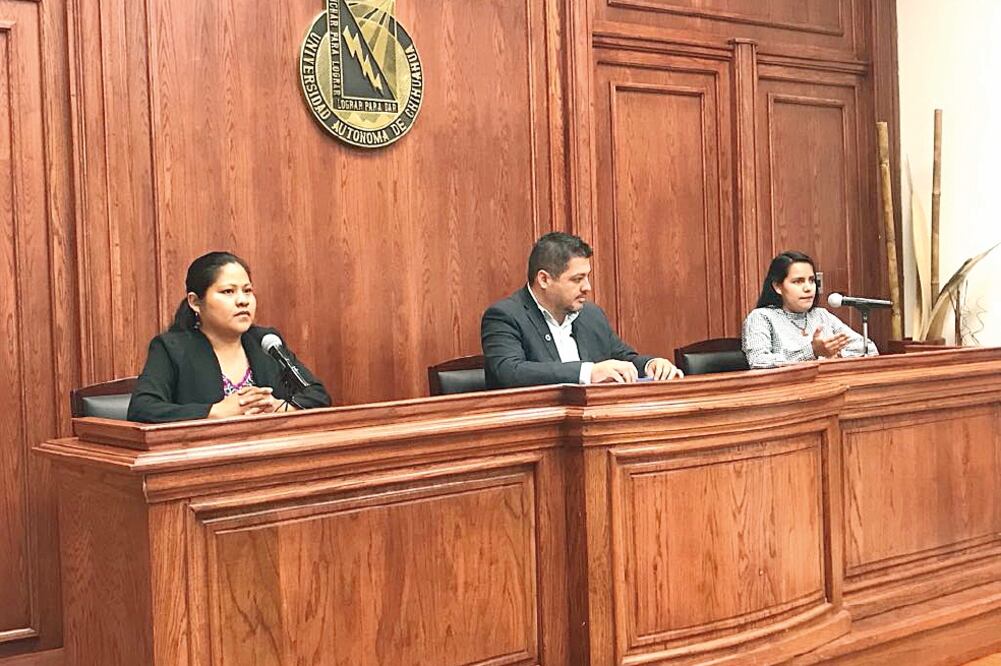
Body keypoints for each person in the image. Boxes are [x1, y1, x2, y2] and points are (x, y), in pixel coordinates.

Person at [128, 251, 331, 423]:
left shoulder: (265, 342)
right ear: (195, 302)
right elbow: (143, 409)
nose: (242, 301)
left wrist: (279, 407)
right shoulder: (172, 348)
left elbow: (318, 395)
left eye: (247, 290)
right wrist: (215, 412)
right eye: (228, 291)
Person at [481, 232, 683, 388]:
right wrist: (588, 373)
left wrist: (651, 365)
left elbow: (622, 358)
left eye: (587, 277)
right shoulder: (505, 316)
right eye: (577, 279)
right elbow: (510, 371)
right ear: (544, 279)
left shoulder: (590, 314)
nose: (587, 287)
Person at [742, 250, 878, 368]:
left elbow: (869, 348)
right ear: (778, 286)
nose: (808, 288)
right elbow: (758, 361)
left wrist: (837, 354)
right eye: (798, 281)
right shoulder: (761, 317)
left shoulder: (821, 315)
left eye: (812, 280)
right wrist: (812, 352)